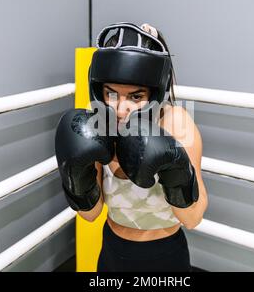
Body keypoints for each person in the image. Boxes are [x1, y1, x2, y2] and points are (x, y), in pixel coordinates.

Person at [55, 22, 208, 272]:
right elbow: (90, 214)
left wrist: (175, 171)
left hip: (165, 256)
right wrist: (76, 177)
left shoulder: (176, 122)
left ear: (154, 93)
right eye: (111, 93)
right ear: (99, 89)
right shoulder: (97, 126)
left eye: (136, 96)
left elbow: (193, 218)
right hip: (113, 252)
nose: (121, 108)